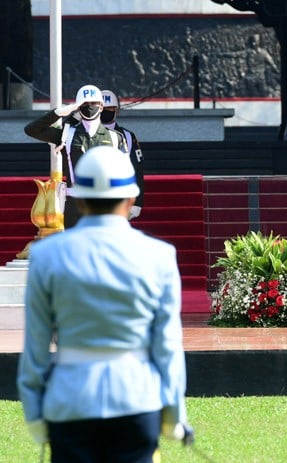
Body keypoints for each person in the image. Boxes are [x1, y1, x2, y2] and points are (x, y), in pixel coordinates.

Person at [17, 146, 191, 462]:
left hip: (70, 402)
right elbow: (167, 346)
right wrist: (174, 415)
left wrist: (34, 412)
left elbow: (36, 347)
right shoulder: (159, 256)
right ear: (130, 199)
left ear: (79, 199)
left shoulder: (46, 256)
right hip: (136, 400)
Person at [24, 84, 127, 228]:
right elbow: (31, 129)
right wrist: (59, 112)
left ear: (101, 106)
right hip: (75, 205)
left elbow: (124, 175)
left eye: (94, 103)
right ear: (78, 107)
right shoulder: (67, 135)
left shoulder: (115, 138)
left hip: (104, 204)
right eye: (85, 103)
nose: (89, 106)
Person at [101, 89, 146, 220]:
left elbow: (137, 169)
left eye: (110, 109)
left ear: (117, 110)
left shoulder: (127, 136)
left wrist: (137, 201)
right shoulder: (84, 134)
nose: (106, 112)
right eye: (103, 109)